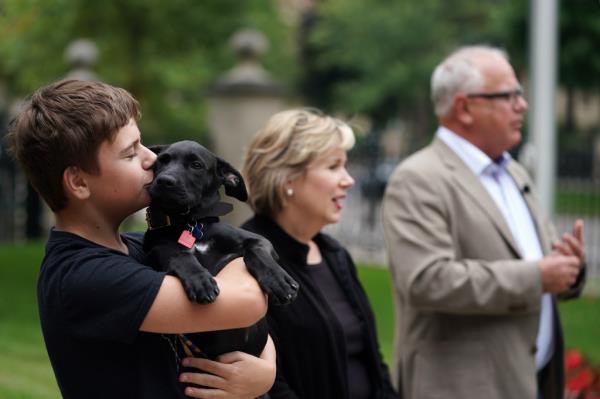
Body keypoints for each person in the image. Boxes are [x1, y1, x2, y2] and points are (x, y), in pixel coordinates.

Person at [5, 79, 276, 399]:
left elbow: (205, 240)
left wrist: (265, 371)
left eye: (143, 144)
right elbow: (247, 303)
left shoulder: (141, 244)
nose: (152, 159)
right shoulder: (85, 276)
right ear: (78, 182)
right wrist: (244, 249)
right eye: (131, 153)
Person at [381, 45, 586, 399]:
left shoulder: (513, 172)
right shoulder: (419, 177)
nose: (522, 105)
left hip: (529, 380)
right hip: (462, 387)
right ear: (464, 107)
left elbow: (541, 262)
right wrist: (537, 276)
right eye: (509, 95)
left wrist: (570, 269)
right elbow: (427, 280)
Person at [240, 109, 398, 399]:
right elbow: (270, 385)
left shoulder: (335, 254)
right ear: (287, 177)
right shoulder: (248, 262)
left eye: (346, 166)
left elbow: (372, 361)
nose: (348, 180)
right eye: (333, 166)